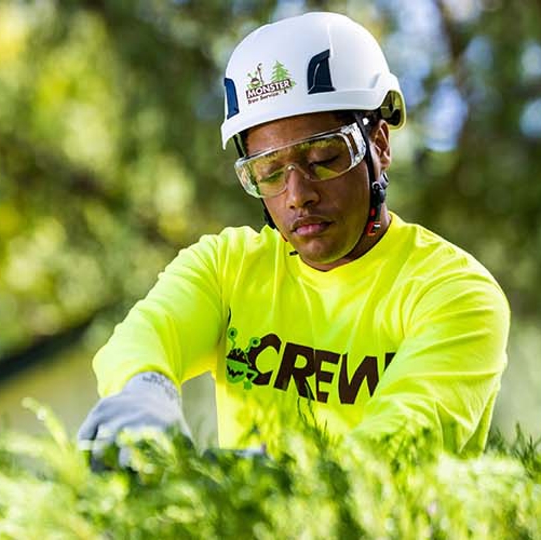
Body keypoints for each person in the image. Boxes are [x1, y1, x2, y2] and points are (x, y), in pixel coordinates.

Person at [77, 11, 509, 463]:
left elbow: (390, 457)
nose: (297, 194)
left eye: (324, 157)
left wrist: (247, 483)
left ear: (379, 144)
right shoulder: (228, 267)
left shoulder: (456, 295)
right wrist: (146, 392)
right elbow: (141, 338)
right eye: (268, 173)